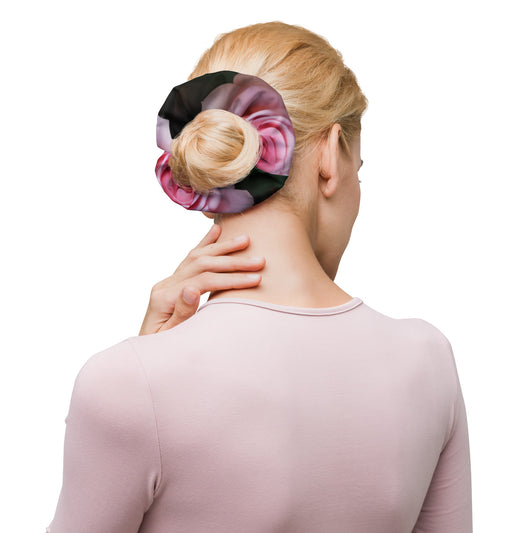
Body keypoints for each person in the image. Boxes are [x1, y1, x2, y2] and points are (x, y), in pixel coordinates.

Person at [45, 21, 472, 533]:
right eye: (359, 167)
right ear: (331, 156)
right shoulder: (428, 359)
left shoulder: (125, 383)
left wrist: (145, 364)